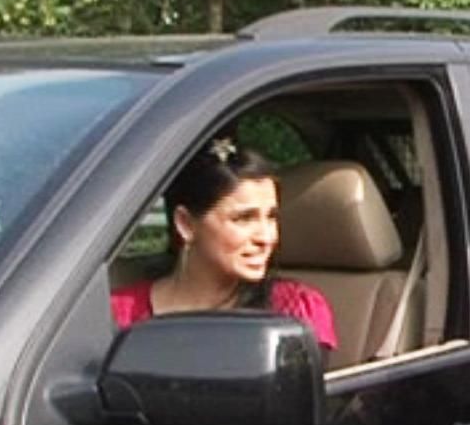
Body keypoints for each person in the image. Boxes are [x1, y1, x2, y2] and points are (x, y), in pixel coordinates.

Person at [110, 135, 337, 352]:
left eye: (271, 217)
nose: (266, 237)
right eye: (244, 218)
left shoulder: (293, 309)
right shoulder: (118, 315)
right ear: (186, 224)